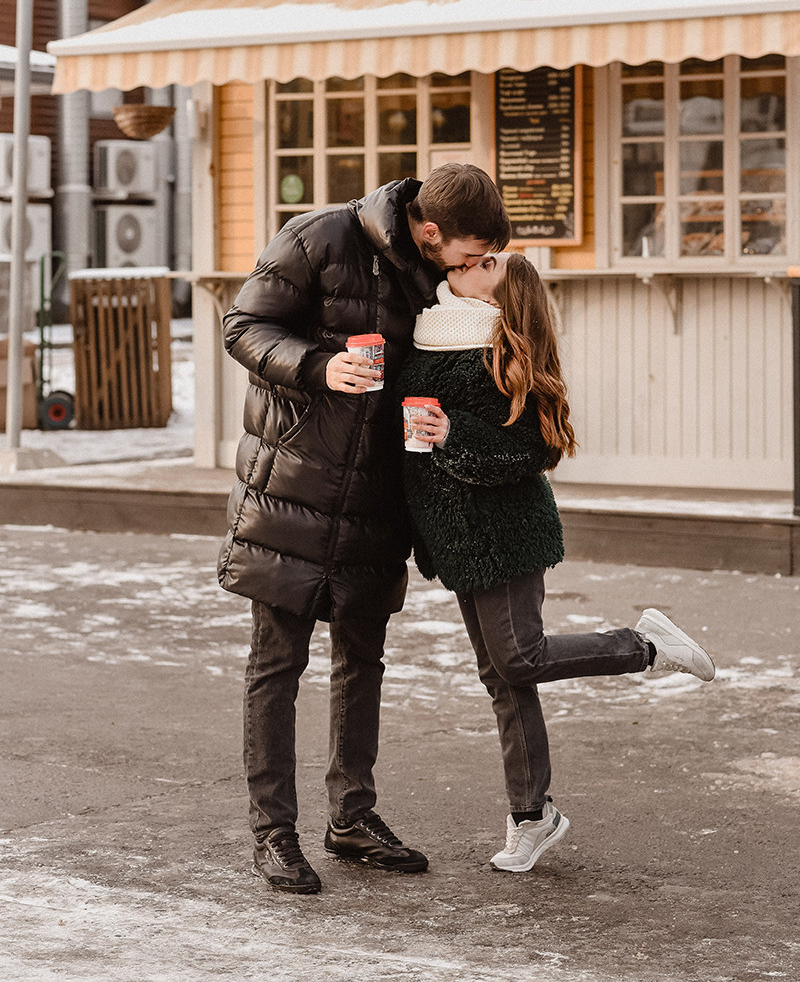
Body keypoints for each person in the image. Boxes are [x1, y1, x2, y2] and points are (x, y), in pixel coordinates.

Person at [217, 164, 511, 894]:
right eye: (467, 254)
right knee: (277, 664)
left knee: (362, 662)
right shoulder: (319, 234)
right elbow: (243, 326)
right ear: (430, 228)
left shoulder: (431, 273)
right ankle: (273, 832)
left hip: (380, 494)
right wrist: (320, 366)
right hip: (292, 486)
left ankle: (351, 815)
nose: (471, 269)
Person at [398, 252, 715, 874]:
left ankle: (644, 644)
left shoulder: (509, 349)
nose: (466, 265)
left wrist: (452, 433)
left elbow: (537, 448)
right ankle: (532, 816)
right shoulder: (429, 327)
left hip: (506, 533)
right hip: (454, 536)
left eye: (484, 262)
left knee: (521, 657)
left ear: (502, 293)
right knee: (504, 677)